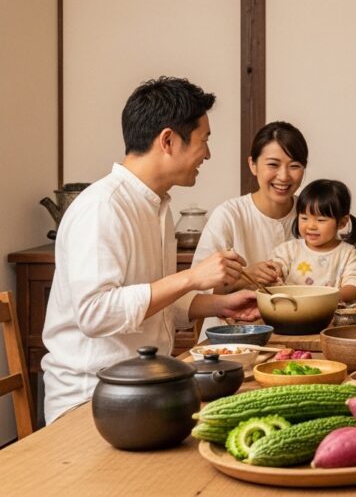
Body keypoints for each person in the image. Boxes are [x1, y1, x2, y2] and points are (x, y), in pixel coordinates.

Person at [41, 77, 260, 424]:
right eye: (204, 140)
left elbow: (153, 303)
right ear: (168, 141)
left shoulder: (157, 207)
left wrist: (219, 304)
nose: (208, 154)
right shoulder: (102, 207)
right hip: (91, 399)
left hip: (145, 388)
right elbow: (96, 313)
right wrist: (191, 278)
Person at [192, 121, 307, 334]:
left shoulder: (312, 216)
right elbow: (198, 290)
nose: (284, 176)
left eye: (294, 166)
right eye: (273, 165)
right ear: (253, 165)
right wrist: (244, 276)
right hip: (231, 338)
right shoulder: (229, 215)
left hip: (298, 332)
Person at [269, 179, 356, 304]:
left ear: (342, 222)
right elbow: (275, 270)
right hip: (292, 311)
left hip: (333, 313)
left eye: (320, 220)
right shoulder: (287, 251)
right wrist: (274, 272)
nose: (311, 226)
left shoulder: (349, 255)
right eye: (304, 218)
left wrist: (330, 298)